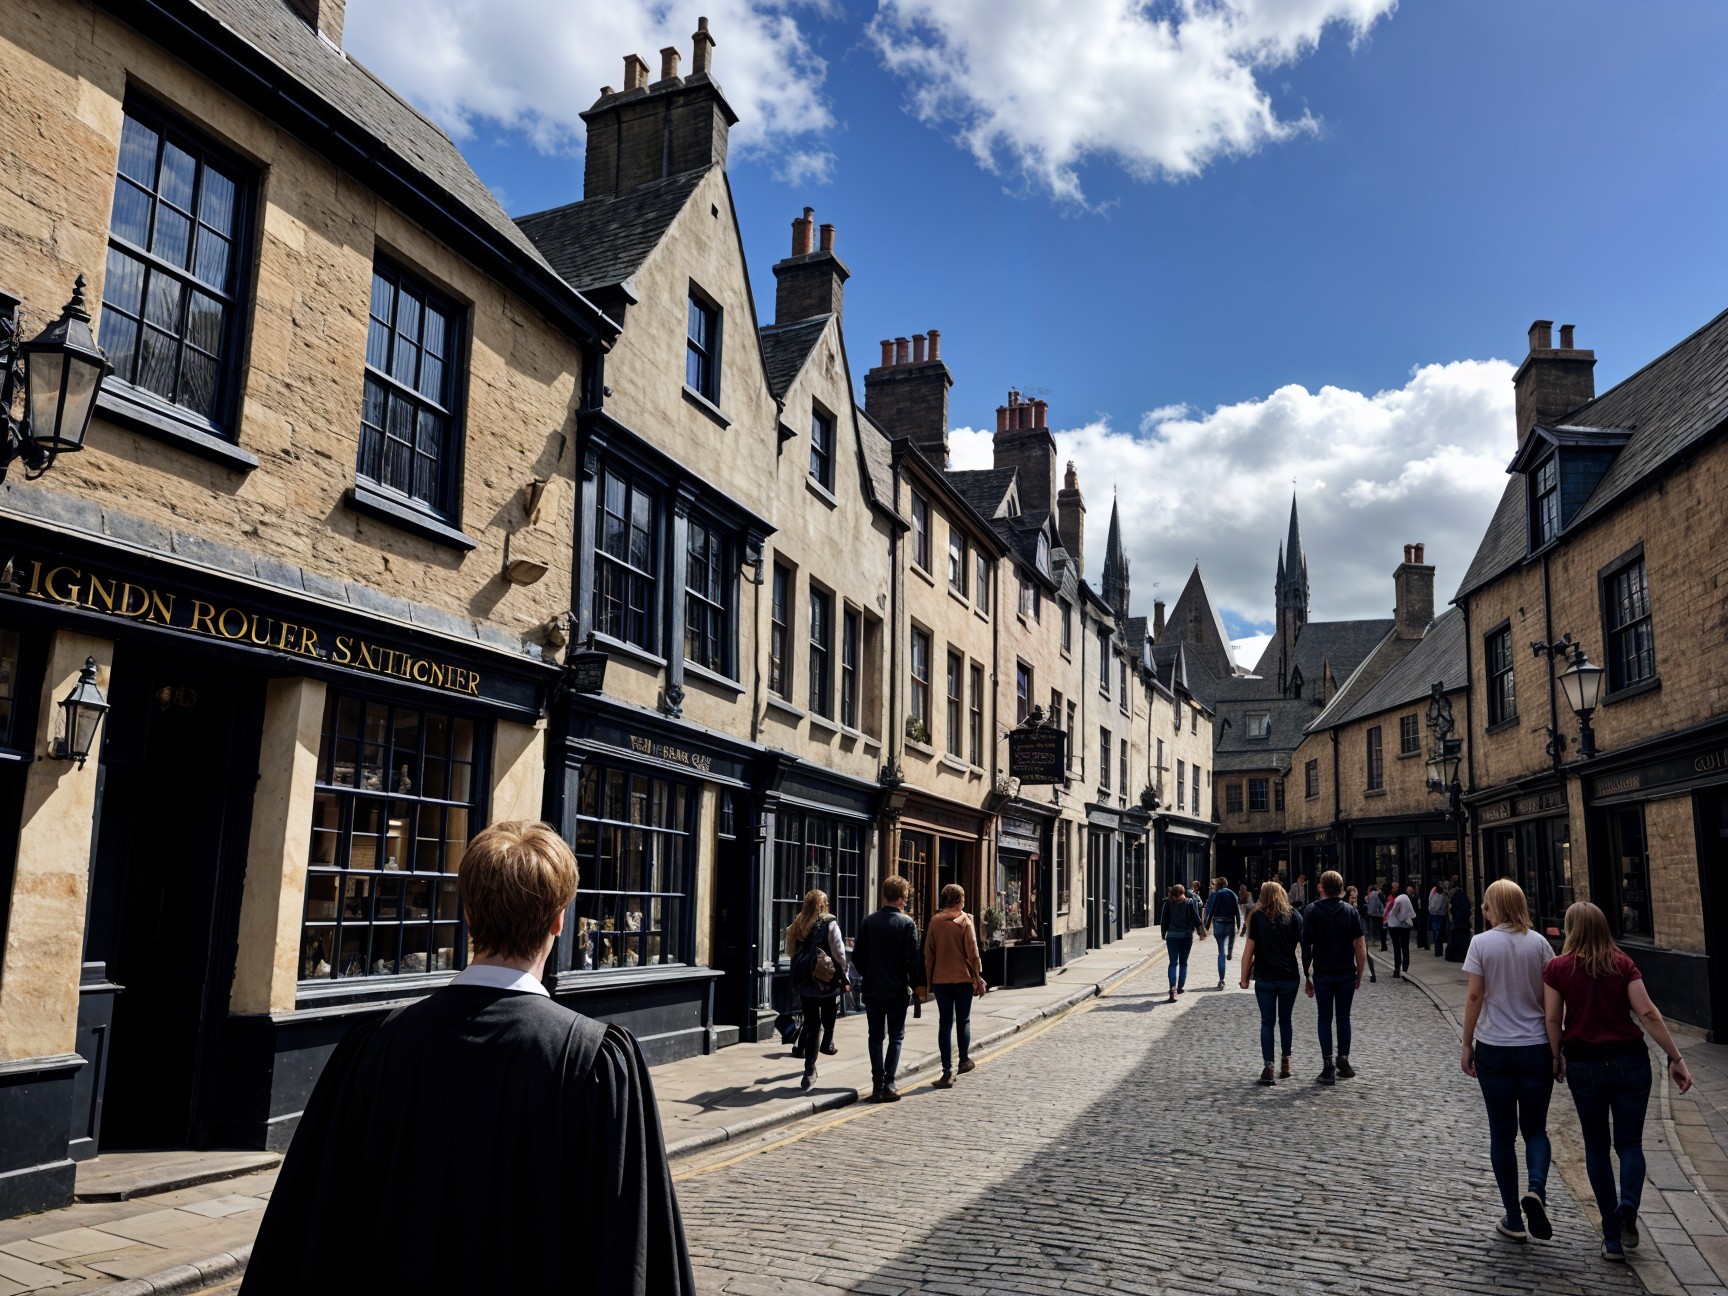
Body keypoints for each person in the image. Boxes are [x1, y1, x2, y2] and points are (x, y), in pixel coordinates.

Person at [243, 822, 693, 1295]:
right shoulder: (596, 1064)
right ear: (560, 921)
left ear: (468, 915)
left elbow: (312, 1236)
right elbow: (628, 1255)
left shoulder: (376, 1045)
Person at [1544, 902, 1693, 1261]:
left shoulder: (1558, 967)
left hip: (1584, 1066)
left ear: (1571, 929)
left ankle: (1612, 1236)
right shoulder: (1622, 963)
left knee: (1596, 1147)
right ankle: (1628, 1206)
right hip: (1630, 1063)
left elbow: (1552, 1017)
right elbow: (1647, 1012)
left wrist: (1556, 1055)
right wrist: (1676, 1057)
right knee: (1629, 1144)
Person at [1462, 878, 1556, 1244]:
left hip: (1495, 1047)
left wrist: (1467, 1043)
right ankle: (1537, 1189)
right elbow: (1552, 1004)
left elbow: (1474, 997)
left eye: (1487, 906)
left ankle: (1514, 1217)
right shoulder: (1541, 944)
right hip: (1535, 1046)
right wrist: (1556, 1048)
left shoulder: (1481, 944)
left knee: (1502, 1133)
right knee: (1535, 1129)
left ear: (1493, 908)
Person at [852, 874, 927, 1102]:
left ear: (885, 895)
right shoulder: (906, 924)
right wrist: (918, 986)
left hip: (873, 989)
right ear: (902, 897)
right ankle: (889, 1084)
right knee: (895, 1036)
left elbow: (857, 957)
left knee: (875, 1037)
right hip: (896, 989)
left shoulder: (868, 922)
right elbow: (913, 960)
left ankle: (876, 1085)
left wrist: (870, 974)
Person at [1300, 870, 1367, 1086]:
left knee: (1324, 1018)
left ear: (1322, 887)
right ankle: (1344, 1062)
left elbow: (1306, 946)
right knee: (1343, 1018)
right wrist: (1360, 973)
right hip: (1346, 972)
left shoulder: (1311, 911)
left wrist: (1307, 975)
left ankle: (1328, 1065)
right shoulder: (1349, 911)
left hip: (1323, 973)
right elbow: (1360, 947)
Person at [785, 889, 850, 1091]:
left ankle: (809, 1071)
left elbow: (791, 951)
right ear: (824, 904)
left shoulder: (798, 923)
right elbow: (839, 951)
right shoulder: (830, 922)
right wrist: (845, 973)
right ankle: (827, 1043)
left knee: (812, 1023)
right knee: (829, 1013)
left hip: (805, 980)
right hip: (826, 977)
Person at [924, 883, 988, 1090]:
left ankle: (946, 1070)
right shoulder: (966, 921)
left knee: (945, 1023)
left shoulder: (935, 922)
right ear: (961, 899)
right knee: (963, 1020)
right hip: (963, 980)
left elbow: (928, 954)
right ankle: (964, 1060)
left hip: (941, 980)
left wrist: (928, 982)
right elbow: (973, 953)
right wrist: (977, 977)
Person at [1240, 880, 1303, 1085]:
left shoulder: (1257, 917)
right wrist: (1310, 973)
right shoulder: (1294, 915)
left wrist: (1243, 979)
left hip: (1265, 976)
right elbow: (1306, 945)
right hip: (1289, 976)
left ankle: (1268, 1067)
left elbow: (1248, 951)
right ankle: (1286, 1062)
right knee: (1285, 1020)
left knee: (1267, 1022)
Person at [1159, 883, 1206, 1002]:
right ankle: (1179, 987)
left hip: (1172, 936)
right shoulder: (1190, 903)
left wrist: (1163, 934)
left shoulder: (1168, 903)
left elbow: (1164, 920)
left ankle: (1172, 988)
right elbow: (1196, 919)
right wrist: (1201, 933)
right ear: (1183, 893)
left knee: (1172, 963)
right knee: (1183, 963)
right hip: (1186, 936)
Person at [1205, 876, 1242, 989]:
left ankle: (1221, 980)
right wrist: (1239, 923)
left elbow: (1211, 910)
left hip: (1218, 923)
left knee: (1221, 951)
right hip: (1230, 922)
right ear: (1226, 884)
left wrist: (1207, 925)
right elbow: (1237, 909)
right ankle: (1230, 951)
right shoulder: (1231, 894)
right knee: (1231, 937)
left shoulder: (1215, 894)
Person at [1385, 883, 1416, 978]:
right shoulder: (1407, 900)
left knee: (1396, 948)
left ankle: (1397, 969)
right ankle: (1405, 970)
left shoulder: (1397, 900)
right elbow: (1412, 914)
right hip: (1405, 927)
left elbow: (1392, 911)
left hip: (1394, 926)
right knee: (1405, 948)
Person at [1449, 883, 1474, 958]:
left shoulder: (1455, 898)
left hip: (1458, 922)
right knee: (1463, 940)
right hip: (1465, 923)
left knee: (1457, 939)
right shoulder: (1464, 897)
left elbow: (1453, 908)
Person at [1429, 883, 1450, 956]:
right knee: (1439, 934)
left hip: (1435, 914)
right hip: (1440, 915)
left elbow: (1431, 903)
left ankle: (1438, 951)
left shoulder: (1435, 893)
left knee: (1437, 933)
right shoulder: (1443, 895)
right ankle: (1438, 951)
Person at [1365, 884, 1385, 952]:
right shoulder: (1377, 894)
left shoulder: (1372, 895)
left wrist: (1369, 911)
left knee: (1374, 928)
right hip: (1380, 914)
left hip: (1375, 914)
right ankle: (1380, 942)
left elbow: (1372, 906)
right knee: (1381, 928)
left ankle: (1375, 941)